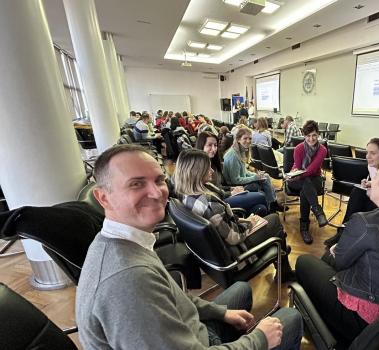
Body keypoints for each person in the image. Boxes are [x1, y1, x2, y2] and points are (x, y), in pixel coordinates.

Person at [76, 144, 302, 350]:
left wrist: (220, 313)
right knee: (290, 318)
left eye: (159, 180)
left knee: (241, 289)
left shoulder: (126, 242)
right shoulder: (128, 281)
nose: (156, 193)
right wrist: (259, 339)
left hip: (190, 330)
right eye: (136, 184)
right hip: (194, 341)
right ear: (103, 198)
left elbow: (174, 297)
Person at [296, 155, 379, 345]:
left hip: (364, 321)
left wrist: (336, 250)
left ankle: (321, 324)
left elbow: (341, 261)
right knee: (327, 259)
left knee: (304, 262)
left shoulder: (365, 222)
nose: (371, 181)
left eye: (376, 177)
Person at [174, 149, 296, 281]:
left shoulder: (184, 196)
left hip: (213, 255)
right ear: (196, 172)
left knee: (264, 215)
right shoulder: (210, 204)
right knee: (274, 220)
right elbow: (234, 237)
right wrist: (250, 223)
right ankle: (283, 264)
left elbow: (223, 226)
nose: (212, 170)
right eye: (207, 167)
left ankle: (279, 250)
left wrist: (241, 221)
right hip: (235, 255)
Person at [324, 138, 379, 247]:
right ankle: (343, 231)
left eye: (373, 153)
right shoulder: (371, 166)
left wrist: (373, 185)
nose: (367, 156)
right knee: (358, 191)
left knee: (361, 197)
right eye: (367, 152)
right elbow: (375, 183)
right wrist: (368, 183)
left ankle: (347, 234)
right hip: (374, 197)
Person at [197, 131, 268, 216]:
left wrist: (232, 189)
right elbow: (210, 192)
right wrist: (230, 192)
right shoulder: (199, 167)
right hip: (219, 201)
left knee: (260, 208)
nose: (214, 148)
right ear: (201, 146)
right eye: (209, 145)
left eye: (215, 145)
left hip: (224, 193)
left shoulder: (213, 162)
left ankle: (247, 221)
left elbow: (219, 185)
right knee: (261, 196)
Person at [223, 127, 284, 213]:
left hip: (238, 182)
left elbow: (244, 172)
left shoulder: (240, 151)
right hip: (234, 186)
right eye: (245, 138)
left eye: (250, 138)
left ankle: (272, 204)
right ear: (238, 140)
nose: (248, 141)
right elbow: (235, 180)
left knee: (265, 176)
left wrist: (256, 175)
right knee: (264, 180)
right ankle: (272, 204)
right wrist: (255, 177)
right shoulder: (233, 156)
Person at [286, 120, 327, 244]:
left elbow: (312, 169)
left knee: (305, 189)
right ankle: (317, 210)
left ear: (318, 135)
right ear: (304, 136)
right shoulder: (298, 148)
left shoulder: (322, 150)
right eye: (308, 135)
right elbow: (298, 167)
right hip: (297, 179)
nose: (311, 138)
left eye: (314, 135)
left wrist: (299, 173)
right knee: (305, 182)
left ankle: (304, 227)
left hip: (314, 179)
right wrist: (293, 172)